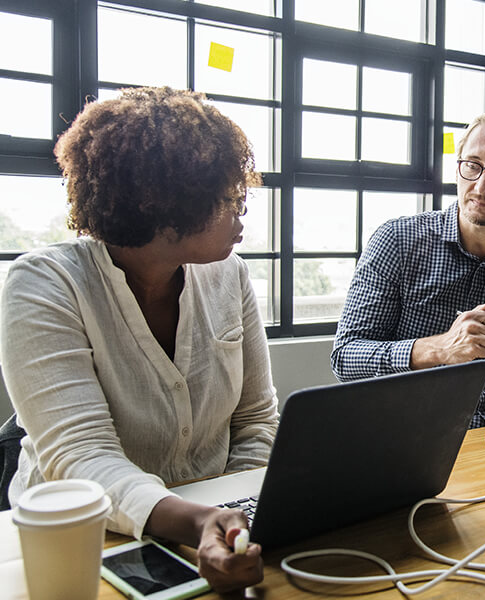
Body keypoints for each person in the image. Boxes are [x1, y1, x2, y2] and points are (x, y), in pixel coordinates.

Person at [0, 86, 279, 592]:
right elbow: (80, 458)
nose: (242, 213)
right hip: (77, 545)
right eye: (229, 198)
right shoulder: (43, 285)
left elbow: (256, 419)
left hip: (214, 531)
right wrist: (197, 522)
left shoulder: (229, 275)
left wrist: (233, 516)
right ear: (168, 207)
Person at [331, 110, 485, 428]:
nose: (482, 186)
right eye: (472, 166)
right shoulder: (397, 241)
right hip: (398, 434)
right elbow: (346, 357)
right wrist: (437, 348)